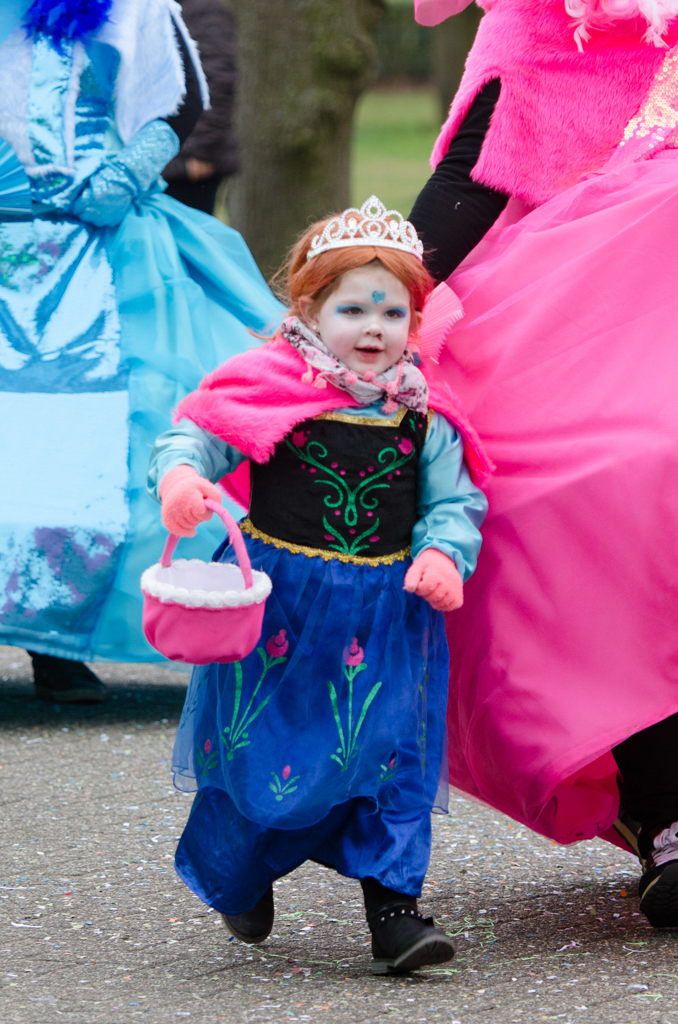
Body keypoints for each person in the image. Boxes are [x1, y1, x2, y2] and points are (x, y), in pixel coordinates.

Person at [147, 197, 489, 974]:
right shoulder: (269, 385)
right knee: (268, 750)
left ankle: (395, 910)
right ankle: (235, 871)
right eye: (353, 308)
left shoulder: (422, 411)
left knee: (393, 750)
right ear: (308, 308)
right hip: (282, 612)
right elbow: (197, 435)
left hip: (387, 614)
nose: (375, 328)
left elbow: (455, 500)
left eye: (393, 312)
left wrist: (444, 553)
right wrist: (181, 477)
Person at [408, 0, 678, 927]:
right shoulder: (539, 23)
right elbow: (470, 178)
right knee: (580, 494)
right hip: (588, 325)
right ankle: (667, 806)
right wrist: (357, 302)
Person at [0, 0, 283, 703]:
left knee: (78, 451)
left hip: (96, 251)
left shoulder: (131, 8)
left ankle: (56, 643)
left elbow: (182, 98)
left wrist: (127, 174)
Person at [162, 0, 239, 214]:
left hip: (189, 165)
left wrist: (199, 151)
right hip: (158, 156)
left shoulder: (205, 8)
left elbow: (218, 81)